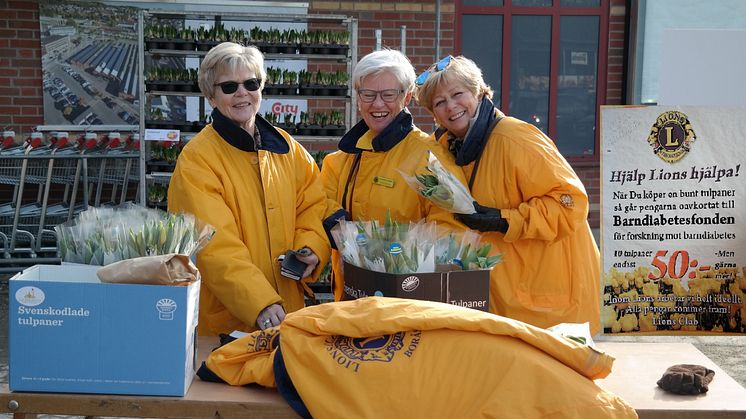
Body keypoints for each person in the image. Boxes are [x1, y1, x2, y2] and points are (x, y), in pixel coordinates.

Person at [415, 55, 601, 334]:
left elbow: (571, 203)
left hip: (551, 306)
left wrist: (506, 220)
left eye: (457, 94)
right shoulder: (447, 148)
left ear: (478, 91)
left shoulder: (515, 138)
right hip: (505, 301)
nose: (451, 106)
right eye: (440, 102)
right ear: (433, 113)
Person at [168, 42, 331, 335]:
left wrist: (312, 249)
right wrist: (260, 302)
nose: (242, 93)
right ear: (211, 95)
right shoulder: (198, 159)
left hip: (287, 312)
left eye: (251, 83)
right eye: (229, 86)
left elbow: (314, 205)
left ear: (261, 88)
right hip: (230, 321)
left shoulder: (287, 148)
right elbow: (213, 247)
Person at [320, 49, 466, 300]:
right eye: (368, 94)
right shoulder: (340, 161)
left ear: (407, 97)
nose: (378, 104)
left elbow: (451, 232)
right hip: (349, 300)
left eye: (388, 94)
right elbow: (318, 206)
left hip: (409, 302)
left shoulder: (430, 157)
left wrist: (389, 254)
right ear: (358, 97)